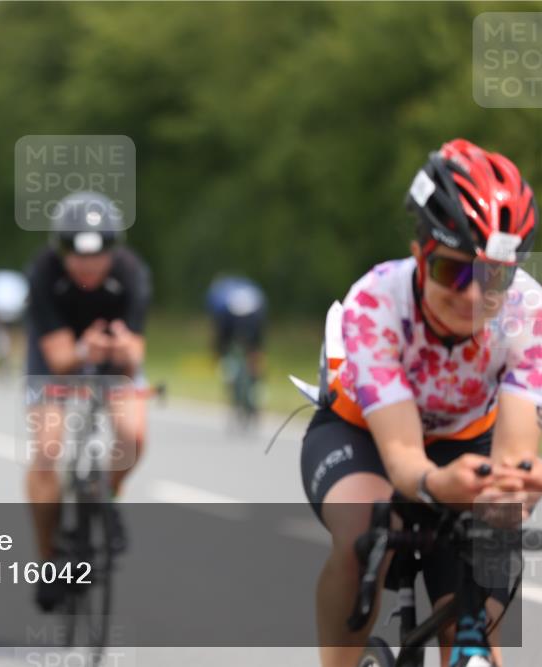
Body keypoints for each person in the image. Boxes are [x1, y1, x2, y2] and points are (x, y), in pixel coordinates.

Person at [300, 139, 542, 667]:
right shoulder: (375, 304)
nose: (473, 297)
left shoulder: (528, 310)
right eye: (454, 272)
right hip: (362, 434)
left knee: (475, 628)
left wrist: (513, 489)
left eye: (492, 277)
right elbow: (405, 456)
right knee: (365, 536)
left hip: (467, 438)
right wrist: (436, 484)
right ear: (420, 255)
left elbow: (516, 452)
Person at [23, 191, 152, 612]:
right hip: (56, 361)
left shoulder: (132, 273)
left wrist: (121, 351)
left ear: (114, 251)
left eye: (98, 255)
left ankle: (106, 496)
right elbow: (59, 359)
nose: (87, 266)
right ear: (60, 251)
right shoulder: (42, 275)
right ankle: (48, 562)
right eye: (75, 254)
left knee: (132, 435)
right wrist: (84, 351)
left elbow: (135, 358)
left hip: (112, 365)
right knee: (47, 452)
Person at [205, 274, 267, 424]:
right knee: (255, 355)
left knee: (230, 361)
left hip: (235, 321)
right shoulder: (252, 292)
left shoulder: (220, 299)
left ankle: (244, 386)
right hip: (254, 317)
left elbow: (220, 333)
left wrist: (219, 352)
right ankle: (256, 388)